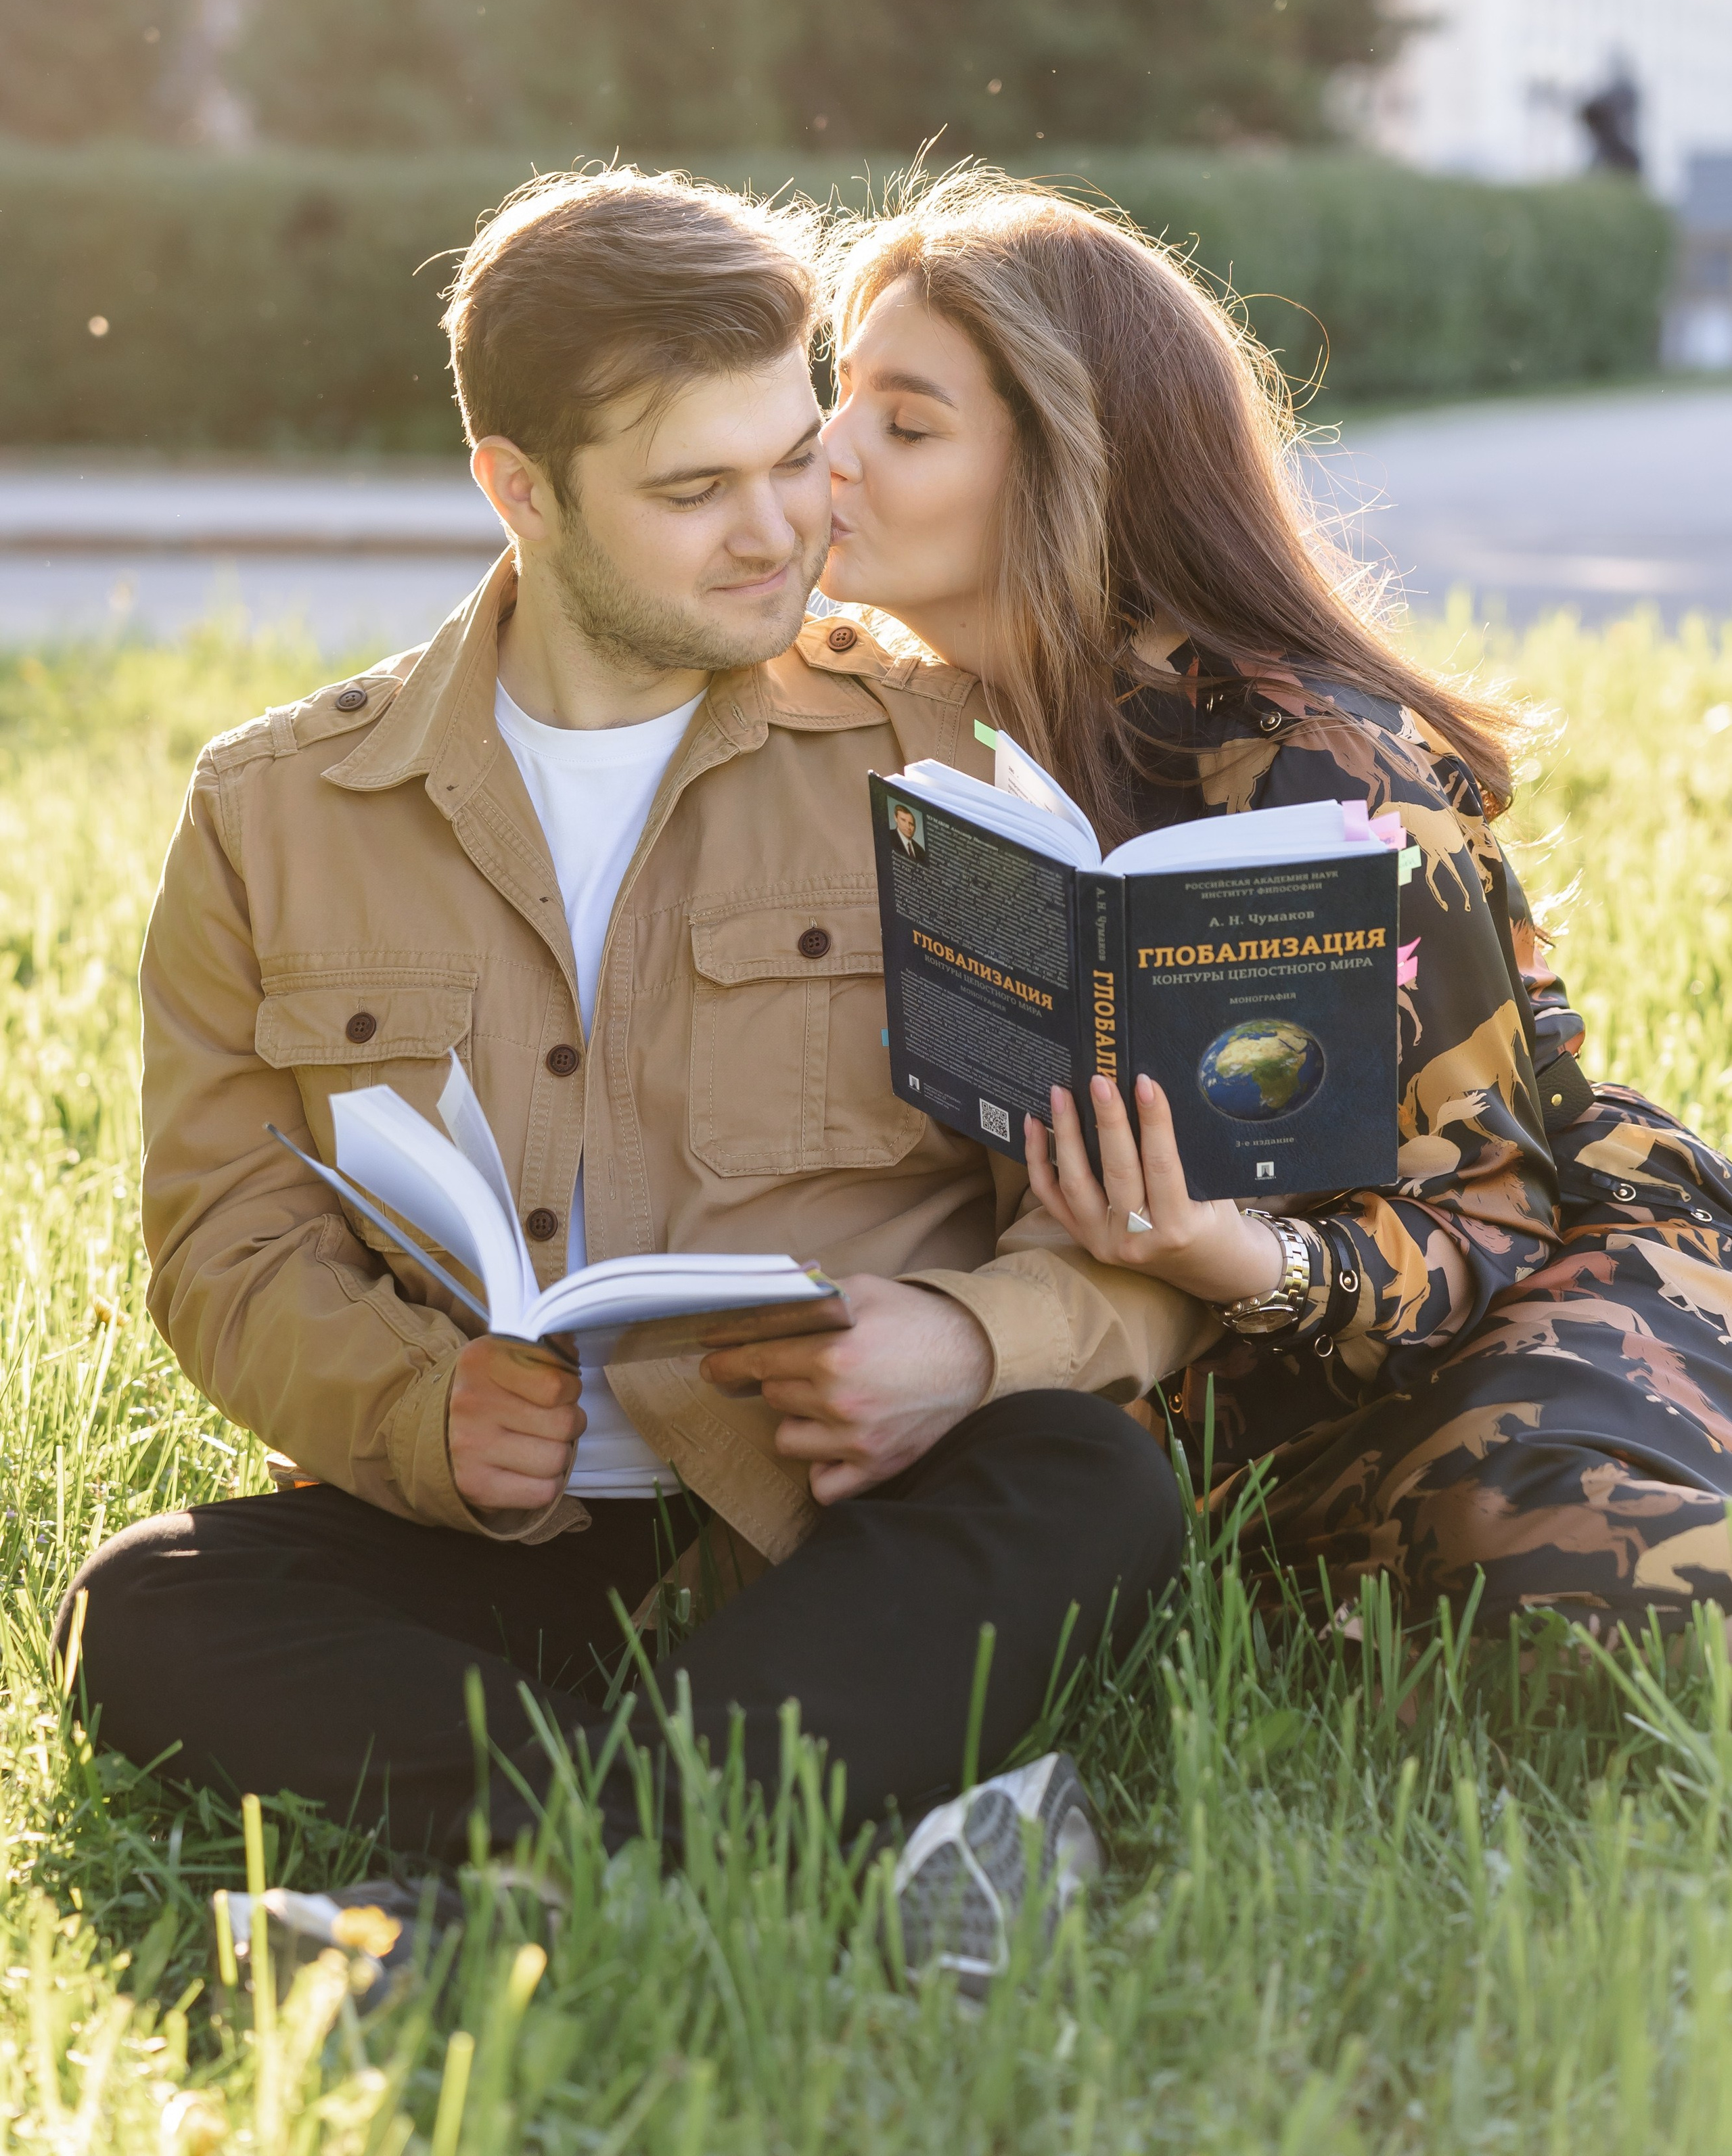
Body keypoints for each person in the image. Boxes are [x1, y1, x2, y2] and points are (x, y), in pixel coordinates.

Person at [56, 167, 1191, 1989]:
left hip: (842, 1528)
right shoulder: (275, 809)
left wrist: (965, 1347)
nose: (780, 533)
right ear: (518, 488)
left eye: (793, 457)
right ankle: (825, 1831)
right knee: (143, 1608)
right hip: (490, 1549)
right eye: (693, 491)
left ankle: (495, 1912)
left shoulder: (939, 744)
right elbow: (224, 1247)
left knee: (1090, 1491)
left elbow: (1123, 1232)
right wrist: (420, 1413)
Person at [816, 166, 1732, 1633]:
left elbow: (1486, 1209)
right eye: (837, 398)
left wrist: (1216, 1252)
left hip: (1501, 1295)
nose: (828, 454)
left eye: (904, 425)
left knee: (1553, 1559)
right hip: (1161, 1380)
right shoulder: (864, 716)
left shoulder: (1314, 763)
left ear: (1068, 469)